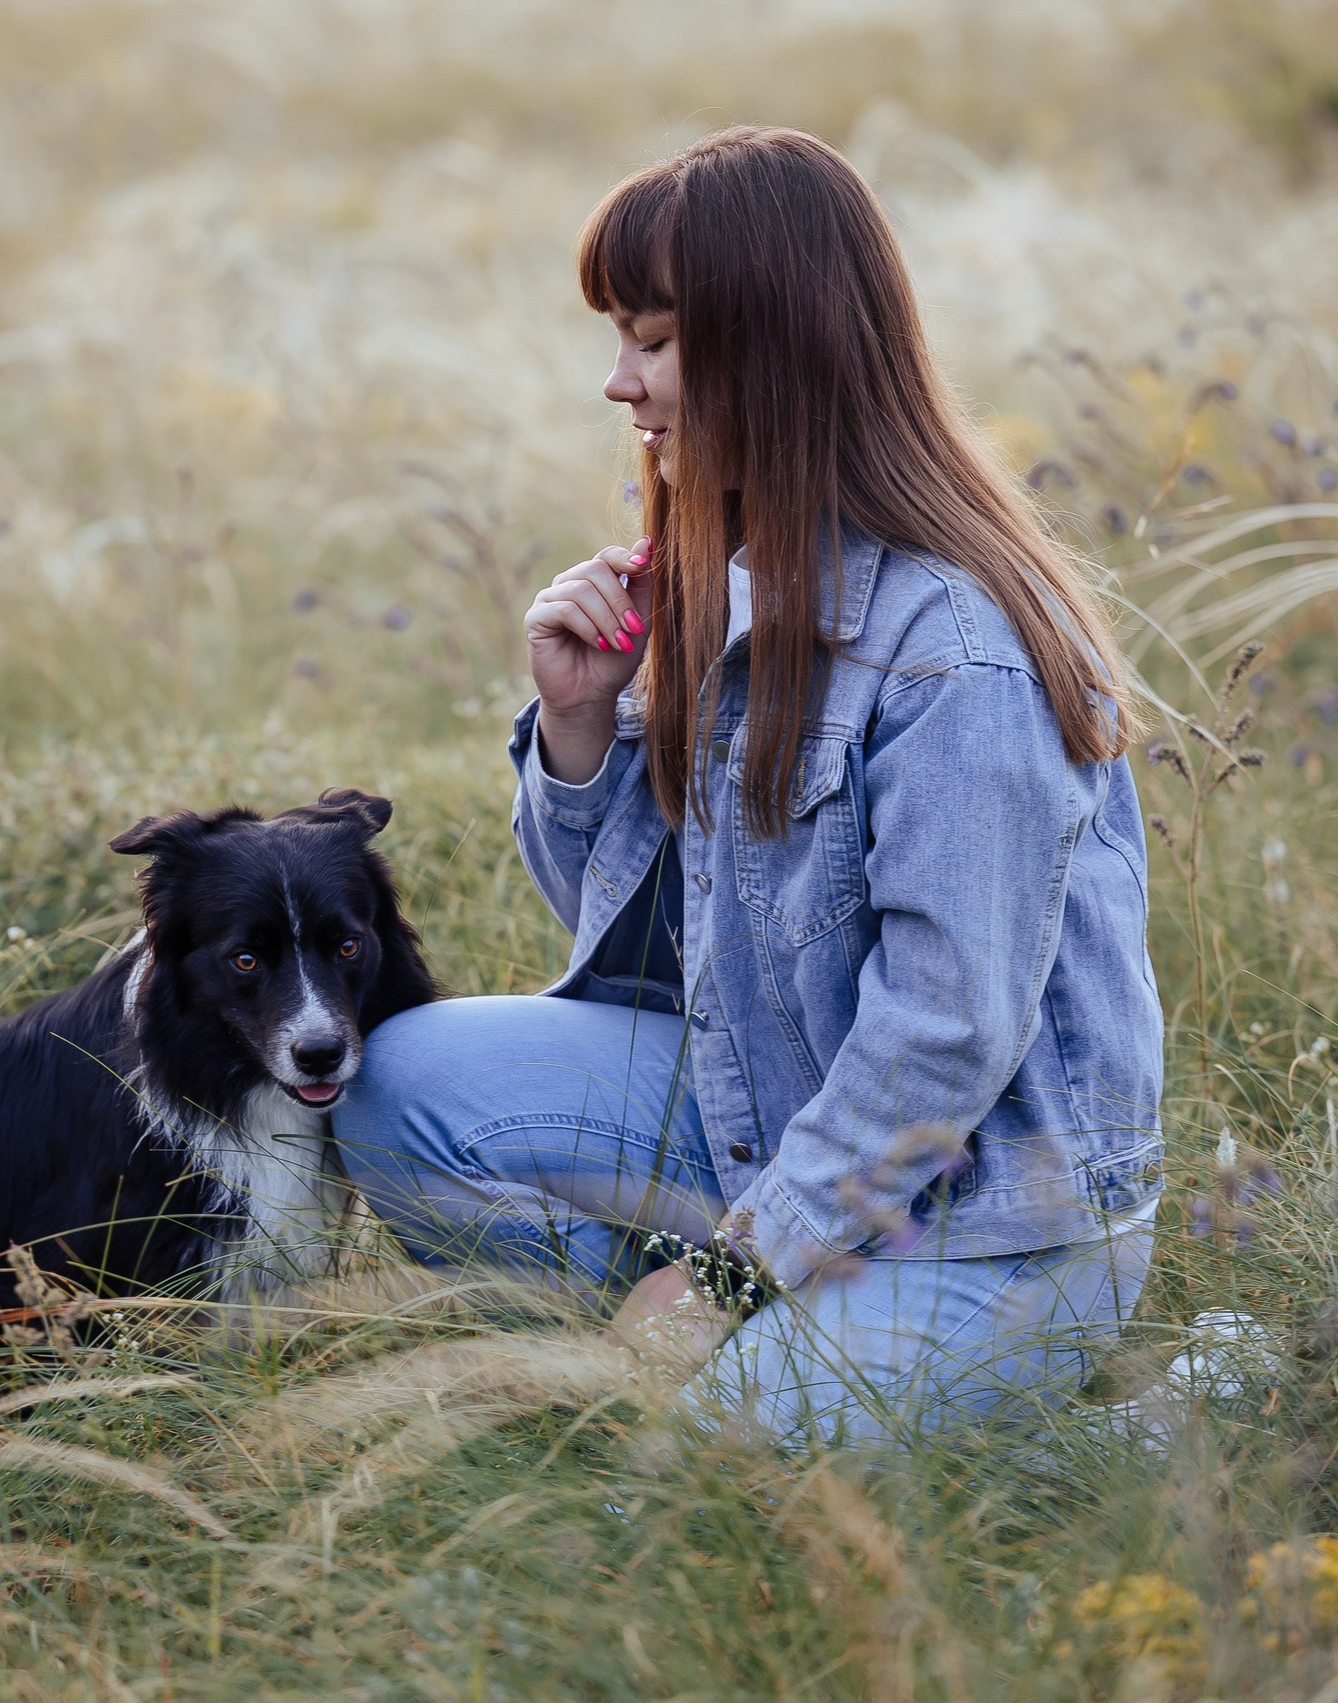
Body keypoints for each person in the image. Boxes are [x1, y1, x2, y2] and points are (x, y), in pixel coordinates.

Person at [332, 126, 1164, 1447]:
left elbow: (945, 1038)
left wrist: (725, 1279)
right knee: (396, 1086)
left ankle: (1162, 1413)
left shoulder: (958, 661)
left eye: (653, 342)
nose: (620, 383)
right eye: (621, 339)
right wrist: (580, 730)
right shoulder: (742, 585)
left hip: (991, 1221)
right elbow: (638, 941)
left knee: (714, 1475)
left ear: (771, 347)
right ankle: (680, 1353)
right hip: (777, 1123)